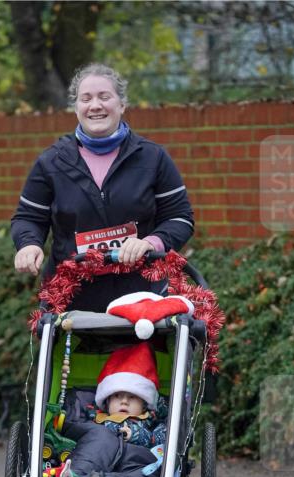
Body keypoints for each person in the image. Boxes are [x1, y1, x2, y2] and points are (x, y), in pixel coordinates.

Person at [11, 63, 194, 311]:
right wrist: (29, 243)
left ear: (121, 104)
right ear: (76, 108)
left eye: (104, 97)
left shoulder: (153, 158)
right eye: (86, 99)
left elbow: (180, 217)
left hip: (142, 300)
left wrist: (152, 242)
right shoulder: (50, 162)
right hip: (70, 303)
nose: (95, 105)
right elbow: (28, 218)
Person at [44, 342, 167, 477]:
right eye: (117, 396)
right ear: (107, 402)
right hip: (98, 453)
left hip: (134, 460)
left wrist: (138, 435)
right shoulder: (95, 418)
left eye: (132, 397)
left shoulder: (151, 421)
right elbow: (75, 430)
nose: (124, 401)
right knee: (97, 440)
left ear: (144, 405)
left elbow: (163, 439)